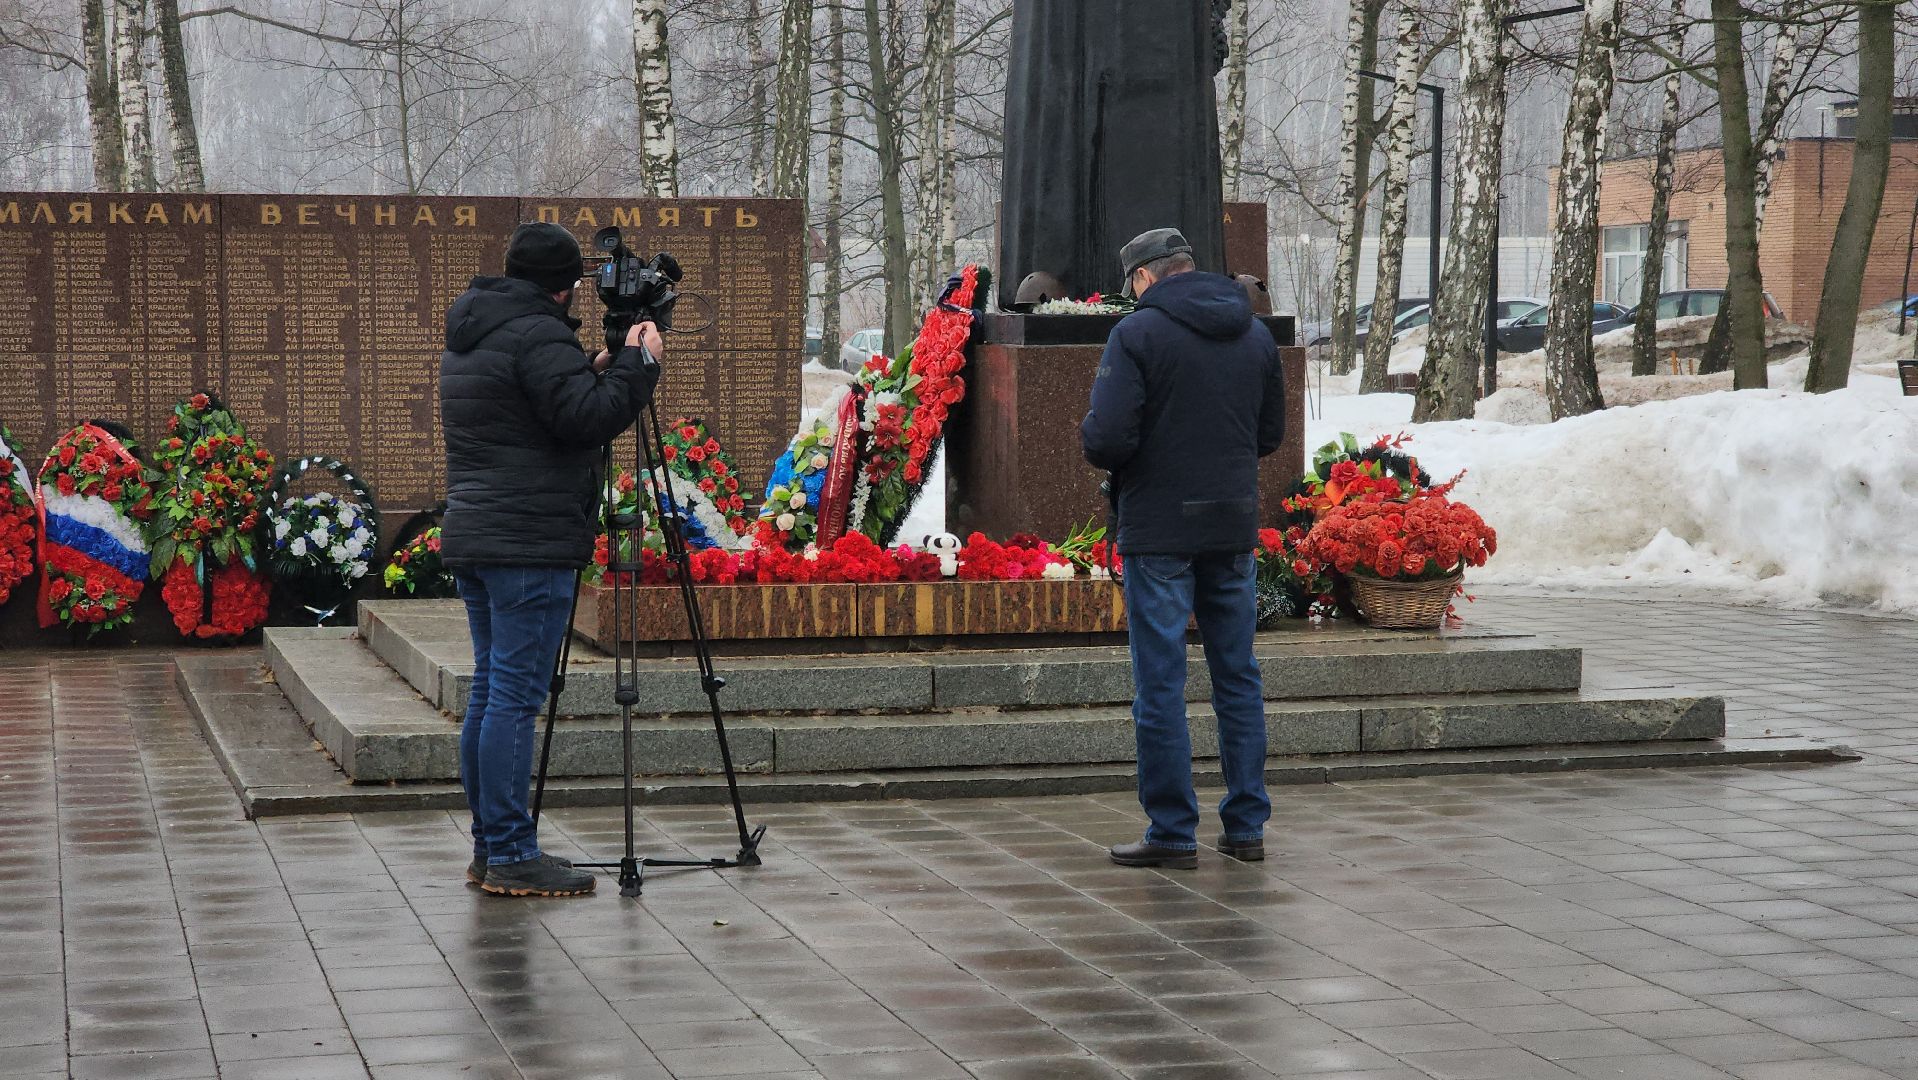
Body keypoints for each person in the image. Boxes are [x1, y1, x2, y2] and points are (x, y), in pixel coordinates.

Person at [440, 221, 662, 897]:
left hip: (481, 534)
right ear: (566, 288)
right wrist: (638, 362)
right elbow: (585, 421)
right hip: (528, 543)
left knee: (490, 692)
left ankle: (491, 846)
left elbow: (537, 407)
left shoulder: (478, 332)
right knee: (513, 697)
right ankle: (510, 851)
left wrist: (591, 369)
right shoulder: (539, 334)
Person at [1081, 226, 1286, 870]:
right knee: (1237, 674)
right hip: (1230, 526)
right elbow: (1270, 434)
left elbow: (1106, 440)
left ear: (1143, 277)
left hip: (1160, 531)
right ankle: (1247, 826)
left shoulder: (1135, 335)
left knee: (1161, 681)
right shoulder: (1254, 334)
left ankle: (1171, 832)